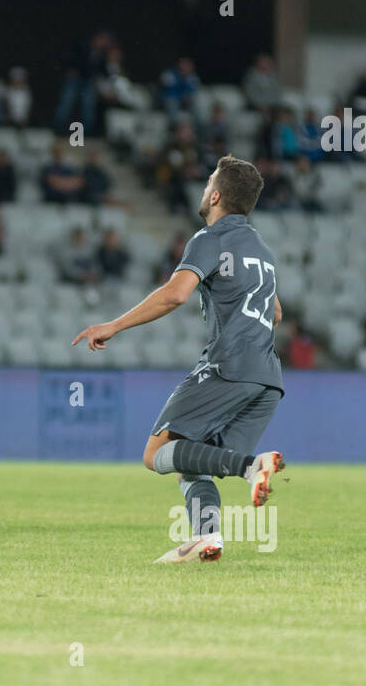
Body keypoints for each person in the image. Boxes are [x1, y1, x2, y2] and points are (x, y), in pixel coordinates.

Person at [73, 155, 286, 564]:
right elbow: (275, 312)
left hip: (229, 366)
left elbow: (175, 293)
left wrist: (113, 326)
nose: (204, 189)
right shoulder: (262, 248)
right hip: (267, 380)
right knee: (196, 459)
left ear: (218, 194)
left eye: (209, 183)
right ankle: (207, 539)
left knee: (155, 455)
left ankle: (250, 467)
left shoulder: (210, 239)